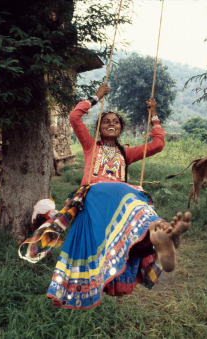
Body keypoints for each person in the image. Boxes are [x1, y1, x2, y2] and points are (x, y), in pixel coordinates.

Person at [19, 84, 191, 309]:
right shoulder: (91, 146)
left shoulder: (125, 153)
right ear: (99, 128)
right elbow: (74, 117)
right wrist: (96, 98)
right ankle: (160, 230)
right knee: (131, 193)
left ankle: (161, 237)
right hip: (95, 196)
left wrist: (154, 114)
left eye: (116, 121)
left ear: (121, 129)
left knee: (135, 196)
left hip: (119, 200)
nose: (111, 123)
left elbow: (158, 144)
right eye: (106, 121)